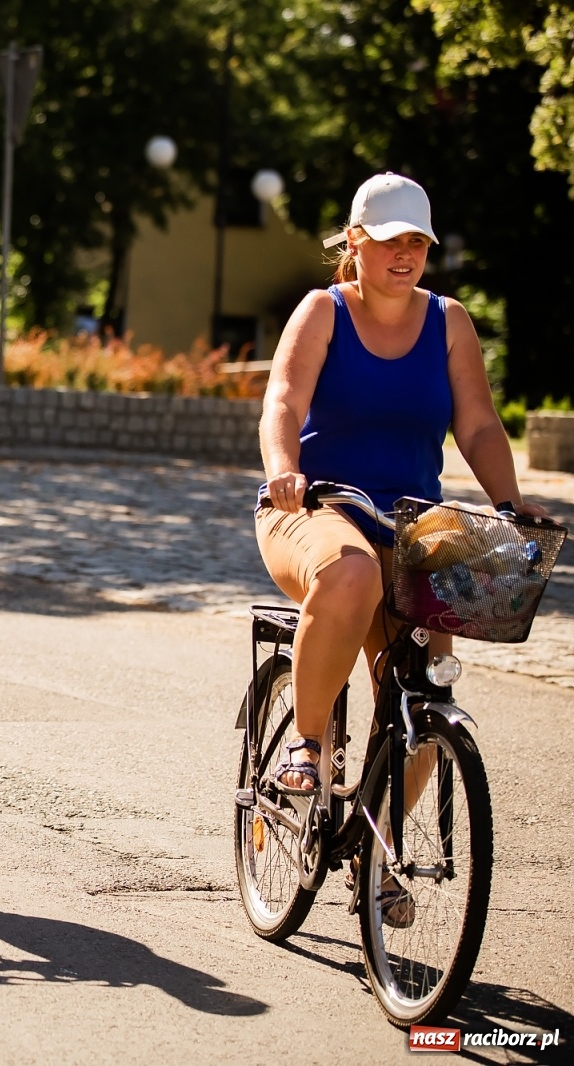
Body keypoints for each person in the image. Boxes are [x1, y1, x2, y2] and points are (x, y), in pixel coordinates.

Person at [256, 172, 547, 809]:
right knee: (352, 573)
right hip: (313, 507)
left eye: (417, 241)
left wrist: (508, 500)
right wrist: (283, 468)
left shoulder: (448, 321)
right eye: (390, 239)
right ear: (355, 241)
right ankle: (306, 744)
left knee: (424, 686)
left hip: (408, 524)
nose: (405, 253)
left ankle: (377, 846)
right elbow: (283, 401)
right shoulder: (324, 311)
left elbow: (478, 424)